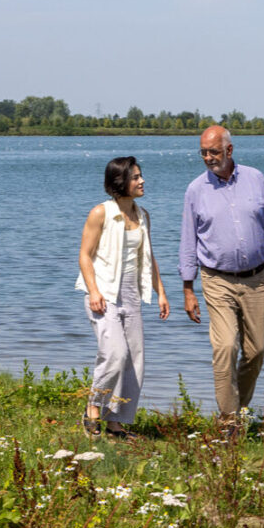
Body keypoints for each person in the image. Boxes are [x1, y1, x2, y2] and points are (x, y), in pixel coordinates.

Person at [179, 126, 264, 425]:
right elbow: (188, 242)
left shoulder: (256, 179)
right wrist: (188, 288)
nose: (207, 157)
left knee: (256, 350)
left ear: (230, 150)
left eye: (213, 151)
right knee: (225, 345)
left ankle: (236, 407)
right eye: (203, 151)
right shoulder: (195, 190)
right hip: (216, 279)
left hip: (257, 277)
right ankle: (229, 421)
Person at [76, 156, 169, 439]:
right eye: (136, 177)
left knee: (133, 360)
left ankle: (116, 423)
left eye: (141, 176)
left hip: (132, 294)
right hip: (103, 294)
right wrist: (93, 291)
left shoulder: (143, 216)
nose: (142, 181)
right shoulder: (100, 213)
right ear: (120, 182)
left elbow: (148, 258)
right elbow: (84, 255)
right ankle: (93, 409)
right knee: (115, 354)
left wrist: (161, 292)